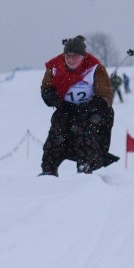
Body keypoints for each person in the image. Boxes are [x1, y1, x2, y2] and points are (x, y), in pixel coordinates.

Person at [39, 35, 119, 176]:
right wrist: (49, 95)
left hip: (90, 110)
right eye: (68, 56)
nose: (71, 60)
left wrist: (92, 107)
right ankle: (48, 170)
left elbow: (106, 96)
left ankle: (85, 167)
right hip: (66, 108)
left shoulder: (95, 68)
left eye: (75, 56)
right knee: (56, 134)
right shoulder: (54, 67)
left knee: (84, 131)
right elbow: (46, 86)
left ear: (83, 56)